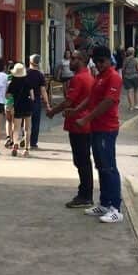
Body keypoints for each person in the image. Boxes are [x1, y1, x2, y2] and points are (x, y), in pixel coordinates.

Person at [75, 45, 123, 224]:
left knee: (109, 167)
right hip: (97, 127)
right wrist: (77, 110)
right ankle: (104, 203)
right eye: (96, 62)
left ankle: (115, 208)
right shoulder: (99, 77)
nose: (99, 64)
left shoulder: (113, 77)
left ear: (109, 60)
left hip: (107, 128)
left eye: (101, 61)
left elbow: (108, 102)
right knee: (101, 166)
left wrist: (86, 118)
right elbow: (92, 98)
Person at [46, 50, 94, 207]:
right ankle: (85, 193)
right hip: (82, 124)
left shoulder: (79, 79)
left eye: (73, 59)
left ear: (81, 60)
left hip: (79, 125)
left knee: (81, 161)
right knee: (82, 160)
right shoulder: (88, 76)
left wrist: (52, 112)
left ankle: (85, 196)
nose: (69, 61)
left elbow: (68, 102)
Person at [6, 63, 33, 156]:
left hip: (17, 106)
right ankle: (26, 149)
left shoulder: (12, 83)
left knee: (16, 128)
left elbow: (7, 95)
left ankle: (15, 144)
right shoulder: (28, 82)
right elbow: (32, 97)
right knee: (27, 128)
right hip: (28, 106)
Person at [26, 55, 49, 149]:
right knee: (35, 122)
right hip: (36, 100)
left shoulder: (25, 73)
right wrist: (47, 103)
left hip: (25, 99)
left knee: (25, 121)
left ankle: (25, 138)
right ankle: (33, 142)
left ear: (30, 62)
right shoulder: (40, 75)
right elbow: (43, 90)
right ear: (38, 63)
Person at [121, 47, 138, 111]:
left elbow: (123, 69)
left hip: (127, 77)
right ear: (133, 52)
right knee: (135, 92)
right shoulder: (136, 60)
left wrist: (123, 77)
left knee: (129, 92)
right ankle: (136, 105)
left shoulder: (125, 60)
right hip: (135, 77)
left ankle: (131, 106)